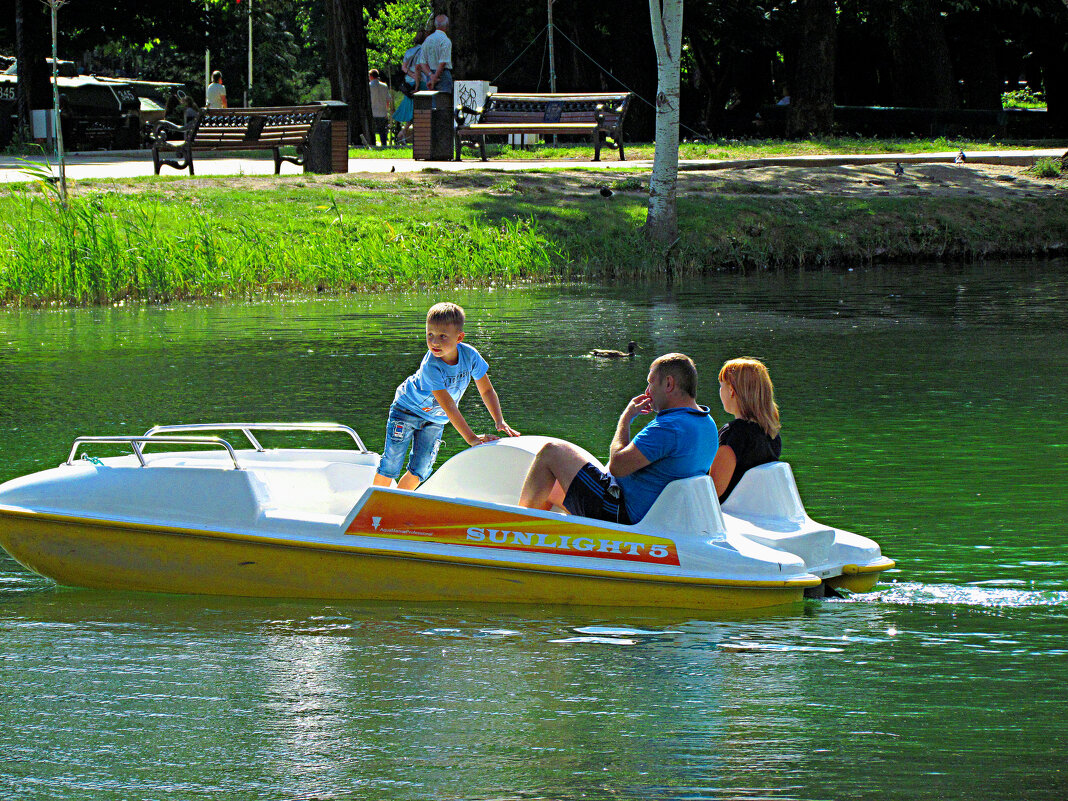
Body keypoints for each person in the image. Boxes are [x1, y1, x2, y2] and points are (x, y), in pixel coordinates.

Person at [518, 354, 718, 524]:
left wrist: (626, 417)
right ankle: (546, 533)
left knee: (551, 451)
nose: (647, 392)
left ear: (668, 383)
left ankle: (515, 531)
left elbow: (617, 465)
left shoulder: (670, 428)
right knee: (552, 489)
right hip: (657, 514)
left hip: (621, 514)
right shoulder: (706, 423)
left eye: (650, 383)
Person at [372, 302, 520, 491]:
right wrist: (472, 438)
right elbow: (449, 406)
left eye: (443, 336)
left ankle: (398, 504)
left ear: (459, 337)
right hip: (406, 410)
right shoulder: (430, 366)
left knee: (421, 470)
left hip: (435, 419)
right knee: (392, 463)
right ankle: (372, 507)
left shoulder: (470, 356)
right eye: (430, 335)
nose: (435, 342)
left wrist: (499, 420)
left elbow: (487, 390)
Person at [710, 357, 782, 503]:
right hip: (755, 509)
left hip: (729, 514)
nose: (720, 391)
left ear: (731, 391)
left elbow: (713, 491)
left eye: (721, 386)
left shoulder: (734, 434)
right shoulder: (771, 434)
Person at [393, 31, 428, 145]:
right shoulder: (424, 52)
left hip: (408, 83)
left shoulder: (409, 52)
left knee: (410, 110)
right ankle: (407, 133)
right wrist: (417, 85)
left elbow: (403, 67)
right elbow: (418, 69)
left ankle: (403, 132)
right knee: (420, 109)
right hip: (420, 82)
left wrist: (410, 73)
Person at [420, 14, 453, 94]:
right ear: (447, 26)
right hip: (443, 75)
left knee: (433, 102)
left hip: (430, 73)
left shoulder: (427, 40)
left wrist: (431, 75)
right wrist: (435, 77)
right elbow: (443, 62)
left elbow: (423, 62)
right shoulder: (445, 40)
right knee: (444, 102)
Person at [368, 69, 393, 147]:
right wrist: (387, 111)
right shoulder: (384, 86)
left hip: (372, 112)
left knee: (372, 131)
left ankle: (373, 144)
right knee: (383, 131)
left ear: (371, 76)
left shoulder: (369, 86)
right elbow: (388, 100)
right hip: (382, 112)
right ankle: (384, 145)